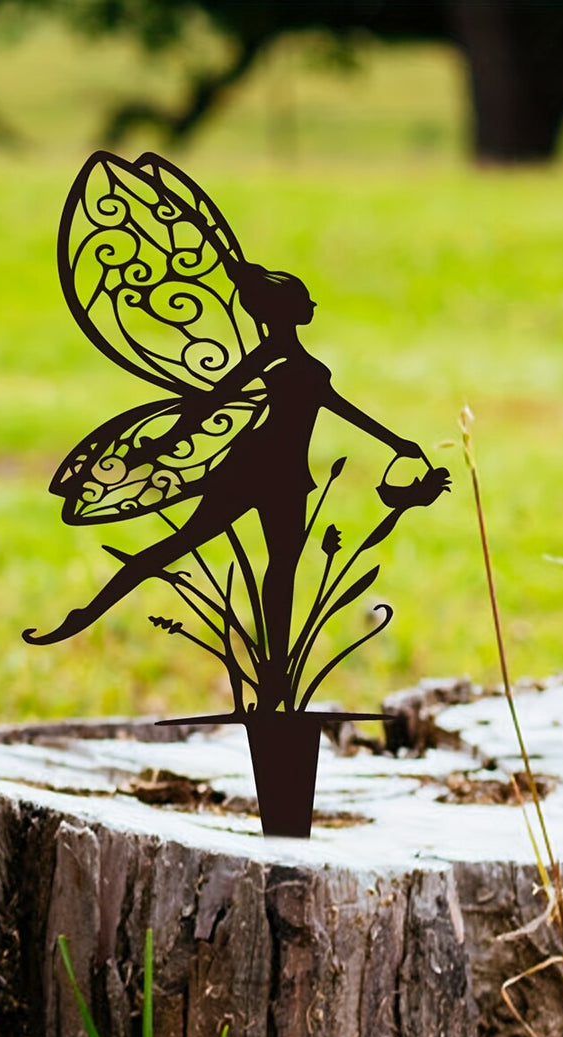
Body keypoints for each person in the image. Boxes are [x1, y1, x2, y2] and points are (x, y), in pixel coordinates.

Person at [24, 263, 423, 710]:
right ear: (284, 311)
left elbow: (337, 406)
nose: (312, 305)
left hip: (289, 476)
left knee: (283, 567)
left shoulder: (301, 364)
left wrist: (396, 443)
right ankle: (89, 612)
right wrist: (155, 449)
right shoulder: (267, 359)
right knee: (185, 544)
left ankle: (277, 672)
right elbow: (209, 405)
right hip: (252, 468)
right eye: (302, 300)